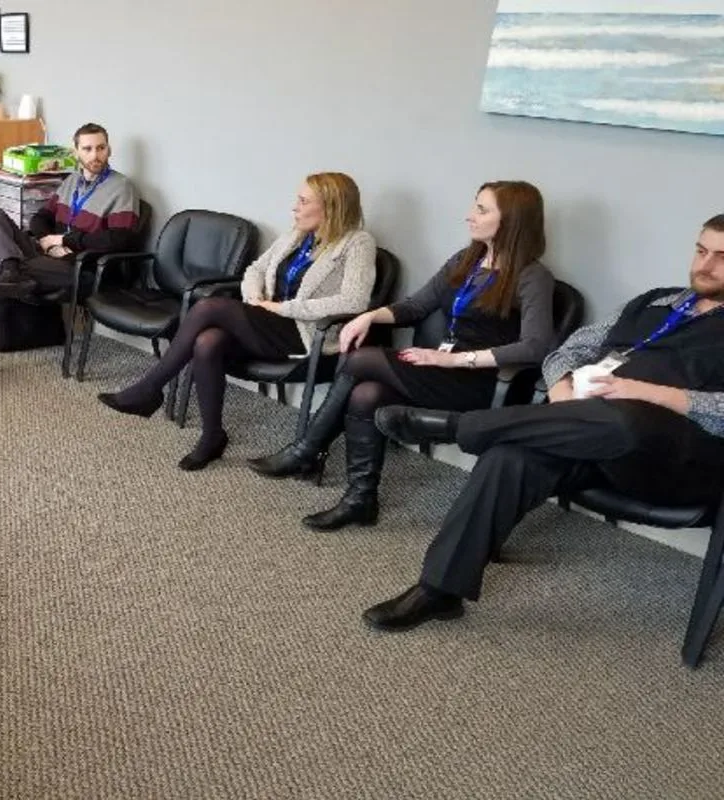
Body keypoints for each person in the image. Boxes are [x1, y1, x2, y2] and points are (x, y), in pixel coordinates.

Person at [363, 214, 724, 631]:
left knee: (626, 420)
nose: (705, 265)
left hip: (672, 459)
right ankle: (439, 589)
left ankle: (460, 426)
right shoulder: (654, 302)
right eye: (701, 251)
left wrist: (648, 393)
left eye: (721, 257)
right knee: (510, 457)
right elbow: (567, 351)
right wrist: (562, 389)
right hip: (588, 431)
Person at [250, 181, 556, 531]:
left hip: (482, 380)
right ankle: (360, 499)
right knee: (367, 395)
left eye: (482, 210)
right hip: (439, 369)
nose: (469, 215)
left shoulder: (533, 277)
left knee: (361, 360)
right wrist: (369, 317)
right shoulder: (466, 261)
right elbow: (416, 306)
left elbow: (536, 346)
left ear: (512, 220)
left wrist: (455, 360)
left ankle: (307, 449)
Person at [97, 172, 376, 470]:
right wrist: (255, 298)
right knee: (208, 342)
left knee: (208, 307)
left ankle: (149, 388)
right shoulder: (297, 235)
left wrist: (282, 308)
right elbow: (255, 269)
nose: (295, 207)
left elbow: (354, 301)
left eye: (304, 201)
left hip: (306, 334)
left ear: (331, 206)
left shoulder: (357, 243)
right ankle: (212, 436)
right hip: (268, 323)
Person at [0, 122, 143, 384]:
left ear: (109, 149)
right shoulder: (71, 182)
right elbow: (40, 218)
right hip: (49, 256)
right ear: (76, 152)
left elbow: (119, 239)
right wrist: (49, 243)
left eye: (101, 148)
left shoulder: (122, 187)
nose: (95, 155)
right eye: (88, 149)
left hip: (82, 267)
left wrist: (66, 240)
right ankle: (12, 268)